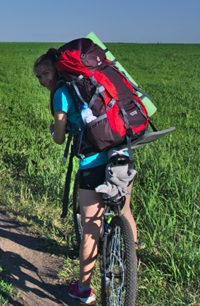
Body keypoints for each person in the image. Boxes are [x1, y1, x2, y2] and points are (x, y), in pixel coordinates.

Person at [33, 49, 138, 304]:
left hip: (92, 163)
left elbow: (59, 139)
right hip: (122, 153)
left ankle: (83, 289)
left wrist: (54, 130)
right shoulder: (93, 84)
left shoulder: (61, 94)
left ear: (58, 70)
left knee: (92, 226)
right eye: (39, 77)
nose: (43, 80)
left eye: (46, 73)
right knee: (125, 211)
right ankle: (131, 260)